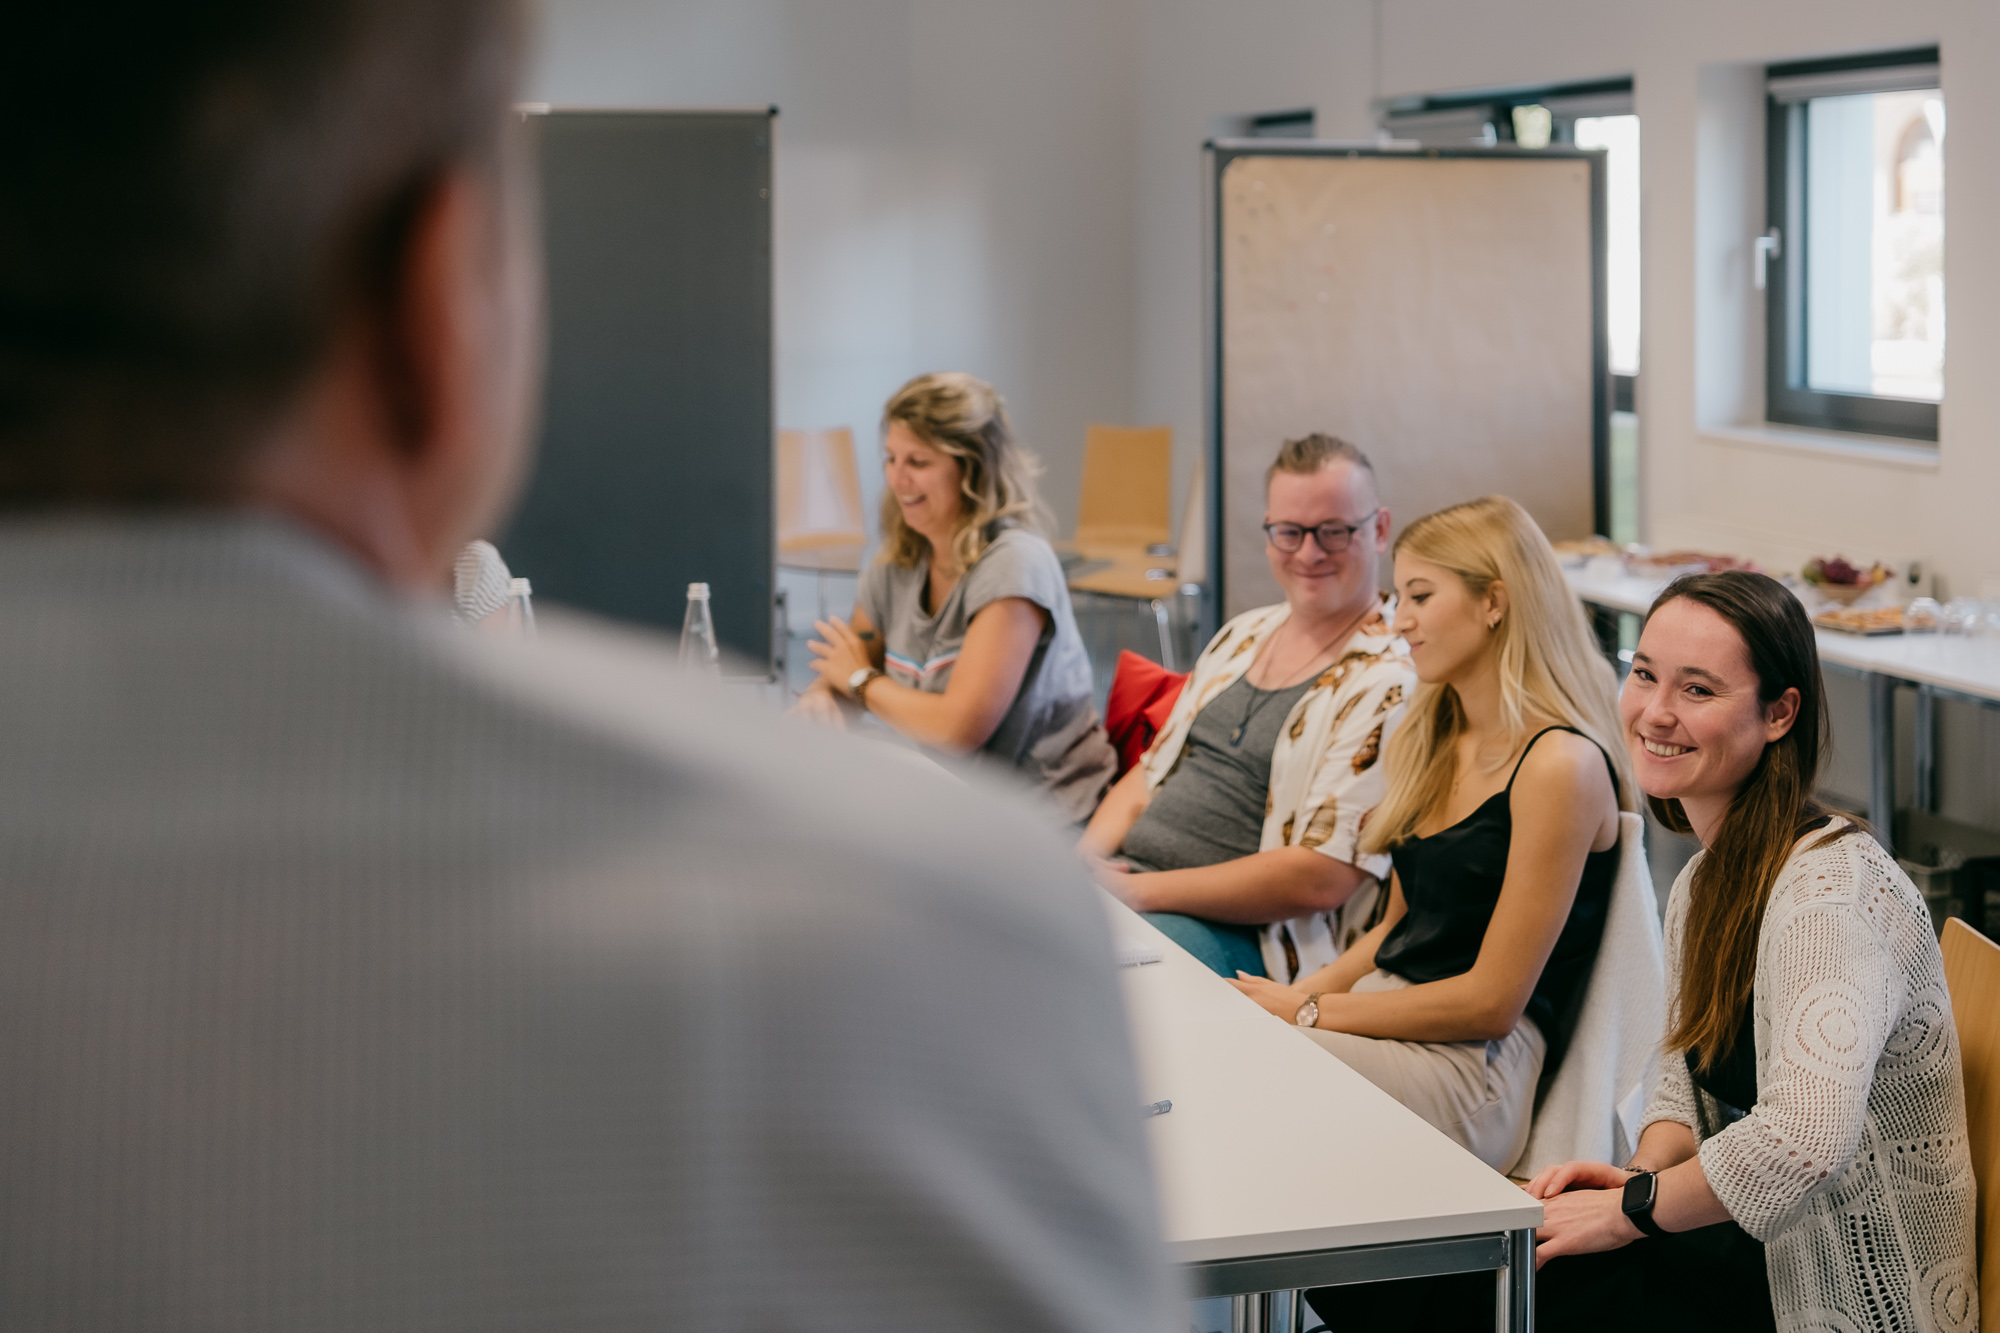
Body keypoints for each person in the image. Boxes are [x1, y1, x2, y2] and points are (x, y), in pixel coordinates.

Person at [0, 6, 1177, 1329]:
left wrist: (851, 689)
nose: (898, 483)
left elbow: (907, 699)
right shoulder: (944, 945)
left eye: (916, 463)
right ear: (439, 300)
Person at [1525, 571, 1976, 1333]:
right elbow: (1680, 1084)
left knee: (1471, 1286)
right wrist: (1640, 1175)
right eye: (1644, 674)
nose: (1656, 712)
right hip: (1747, 1250)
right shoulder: (1706, 878)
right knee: (1472, 1268)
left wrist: (1629, 1213)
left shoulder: (1830, 891)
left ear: (1779, 712)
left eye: (1698, 690)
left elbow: (1803, 1139)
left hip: (1830, 1288)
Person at [1230, 496, 1635, 1176]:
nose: (1400, 618)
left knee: (1249, 1058)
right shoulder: (1434, 736)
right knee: (1226, 1030)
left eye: (1420, 595)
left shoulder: (1561, 765)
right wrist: (1292, 1000)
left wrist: (1306, 1008)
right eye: (1401, 595)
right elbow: (1391, 934)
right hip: (1391, 1015)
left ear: (1494, 602)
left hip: (1474, 1072)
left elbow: (1490, 1002)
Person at [1079, 434, 1416, 982]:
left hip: (1253, 936)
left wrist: (1135, 892)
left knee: (1088, 986)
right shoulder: (1244, 633)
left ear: (1378, 530)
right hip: (1134, 885)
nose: (1309, 553)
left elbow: (1320, 877)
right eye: (1290, 532)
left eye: (1334, 531)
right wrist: (1083, 865)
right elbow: (1147, 777)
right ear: (1268, 533)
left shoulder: (1391, 681)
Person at [798, 373, 1117, 823]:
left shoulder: (1014, 563)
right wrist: (822, 697)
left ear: (972, 469)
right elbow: (848, 664)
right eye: (890, 458)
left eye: (919, 462)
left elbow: (956, 728)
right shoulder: (895, 561)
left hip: (1037, 815)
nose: (897, 478)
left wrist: (859, 683)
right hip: (946, 795)